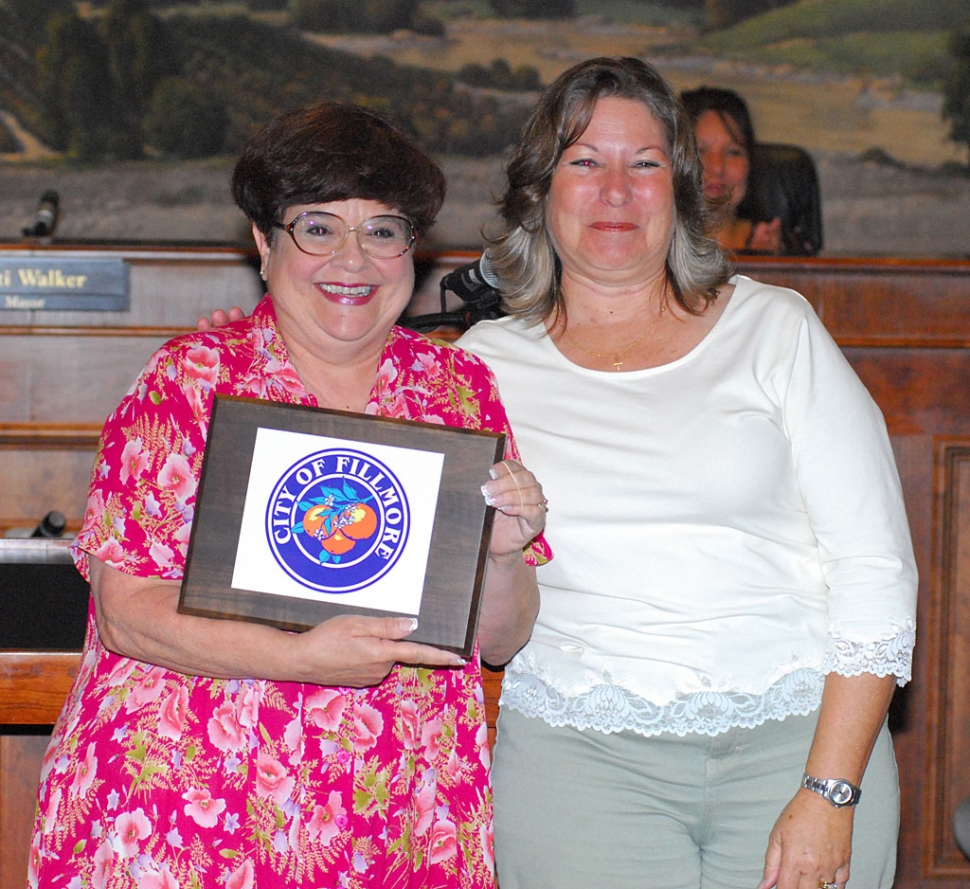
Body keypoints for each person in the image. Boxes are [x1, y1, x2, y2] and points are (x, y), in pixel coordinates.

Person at [27, 101, 549, 889]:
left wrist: (504, 554)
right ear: (264, 244)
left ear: (414, 249)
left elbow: (500, 641)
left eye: (382, 230)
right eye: (318, 227)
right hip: (188, 814)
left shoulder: (459, 391)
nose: (353, 258)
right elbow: (127, 611)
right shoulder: (192, 381)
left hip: (398, 821)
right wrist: (302, 659)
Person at [453, 57, 917, 889]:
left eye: (646, 164)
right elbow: (484, 625)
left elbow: (875, 568)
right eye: (584, 162)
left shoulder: (775, 329)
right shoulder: (482, 366)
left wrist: (830, 788)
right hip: (578, 766)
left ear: (683, 190)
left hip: (799, 747)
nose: (617, 192)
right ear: (540, 192)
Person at [680, 85, 784, 254]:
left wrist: (765, 266)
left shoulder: (774, 244)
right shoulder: (650, 248)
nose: (717, 167)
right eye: (700, 151)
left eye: (733, 152)